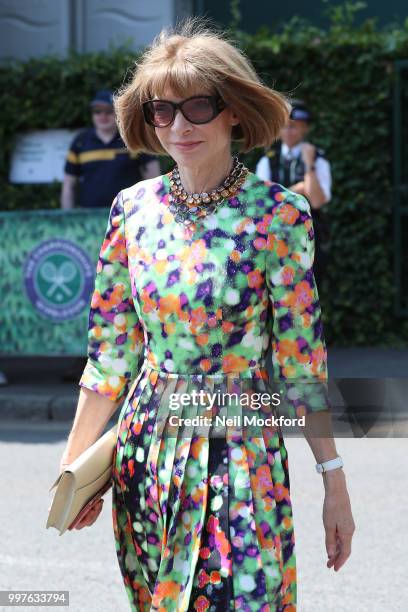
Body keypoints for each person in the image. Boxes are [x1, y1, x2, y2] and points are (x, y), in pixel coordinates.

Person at [56, 20, 354, 611]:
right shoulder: (131, 211)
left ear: (234, 112)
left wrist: (334, 482)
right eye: (162, 111)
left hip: (245, 441)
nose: (179, 125)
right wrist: (72, 473)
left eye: (198, 107)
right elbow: (109, 357)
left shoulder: (280, 215)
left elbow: (301, 359)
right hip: (148, 449)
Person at [256, 100, 332, 290]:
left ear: (305, 129)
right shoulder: (267, 160)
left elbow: (316, 200)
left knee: (308, 293)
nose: (289, 132)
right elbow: (263, 203)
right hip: (274, 237)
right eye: (285, 126)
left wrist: (309, 165)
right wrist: (297, 190)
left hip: (310, 238)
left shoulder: (317, 159)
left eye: (295, 127)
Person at [60, 89, 161, 209]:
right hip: (89, 219)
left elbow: (153, 179)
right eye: (98, 111)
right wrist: (66, 218)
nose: (103, 116)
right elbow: (69, 185)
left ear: (118, 113)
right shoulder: (80, 142)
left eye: (108, 111)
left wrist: (155, 209)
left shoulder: (133, 138)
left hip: (129, 215)